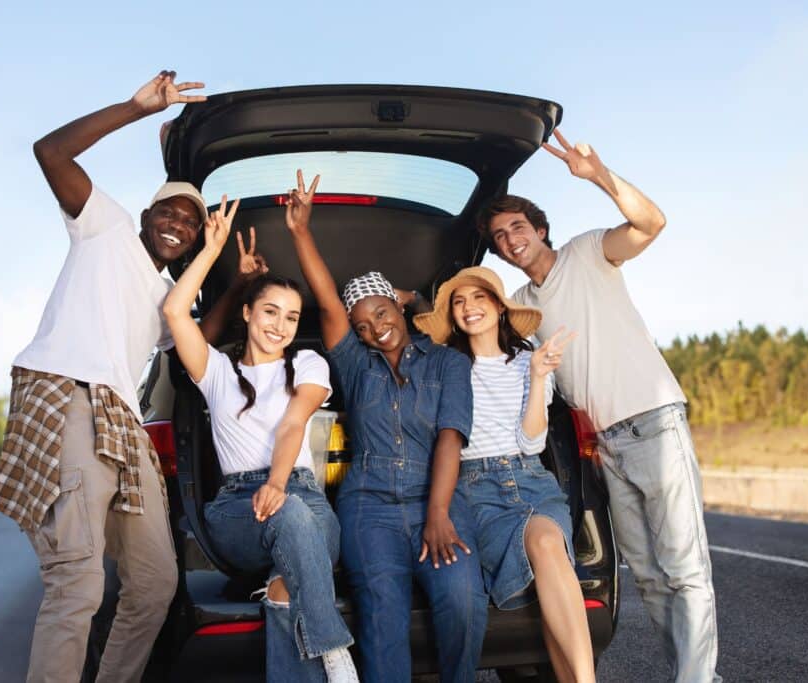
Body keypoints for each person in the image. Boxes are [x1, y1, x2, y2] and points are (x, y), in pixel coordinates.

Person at [0, 70, 236, 683]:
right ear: (149, 212)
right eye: (170, 210)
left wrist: (246, 280)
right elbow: (50, 151)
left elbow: (195, 339)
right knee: (77, 581)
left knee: (155, 583)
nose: (178, 221)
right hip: (71, 395)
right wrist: (134, 107)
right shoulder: (106, 227)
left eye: (191, 219)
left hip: (123, 422)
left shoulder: (164, 296)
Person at [480, 129, 720, 682]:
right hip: (605, 448)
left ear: (540, 230)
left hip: (655, 422)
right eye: (500, 235)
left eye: (519, 226)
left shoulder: (588, 252)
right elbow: (466, 315)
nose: (512, 239)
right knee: (651, 580)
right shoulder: (521, 307)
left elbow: (650, 224)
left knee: (684, 570)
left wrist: (601, 177)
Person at [283, 170, 488, 683]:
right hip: (368, 506)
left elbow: (450, 436)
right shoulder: (356, 364)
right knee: (381, 619)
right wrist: (301, 232)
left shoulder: (447, 363)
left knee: (463, 601)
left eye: (379, 311)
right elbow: (328, 300)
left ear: (397, 302)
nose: (375, 327)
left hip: (435, 496)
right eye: (363, 325)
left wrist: (438, 514)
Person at [162, 199, 358, 683]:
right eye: (270, 311)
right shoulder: (216, 372)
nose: (280, 325)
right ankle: (334, 647)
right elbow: (173, 310)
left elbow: (294, 424)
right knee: (285, 510)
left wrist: (278, 483)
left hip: (305, 501)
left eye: (291, 317)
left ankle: (316, 638)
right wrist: (211, 251)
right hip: (237, 510)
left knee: (283, 591)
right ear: (247, 312)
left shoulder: (308, 365)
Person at [413, 266, 594, 683]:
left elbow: (531, 444)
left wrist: (537, 376)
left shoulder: (531, 360)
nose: (468, 308)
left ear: (498, 306)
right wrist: (411, 299)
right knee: (547, 563)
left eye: (478, 298)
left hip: (530, 479)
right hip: (476, 491)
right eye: (458, 302)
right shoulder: (446, 367)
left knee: (548, 541)